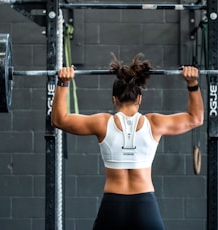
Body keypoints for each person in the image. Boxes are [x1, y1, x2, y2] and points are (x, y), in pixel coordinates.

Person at [51, 53, 204, 230]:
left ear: (114, 99)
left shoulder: (102, 123)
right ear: (139, 98)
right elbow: (196, 119)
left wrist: (63, 83)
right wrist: (192, 84)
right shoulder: (154, 123)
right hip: (145, 205)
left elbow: (59, 120)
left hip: (112, 206)